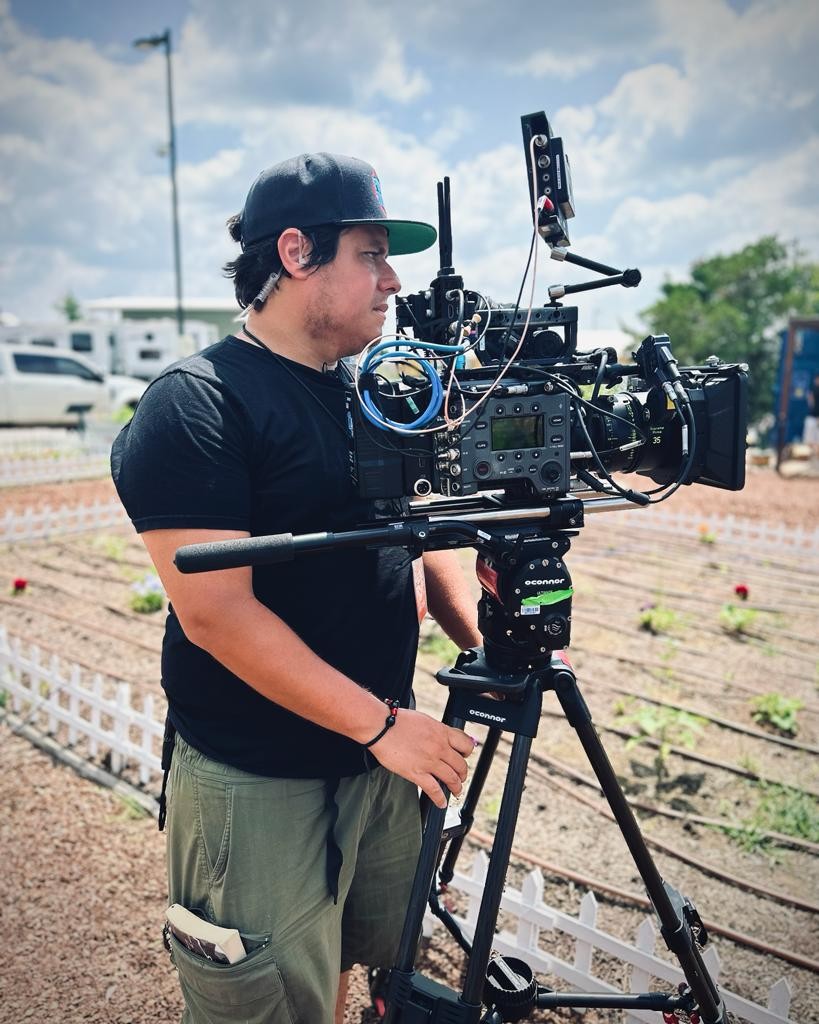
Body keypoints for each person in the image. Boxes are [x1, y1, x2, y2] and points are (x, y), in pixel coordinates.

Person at [110, 152, 481, 1024]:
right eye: (370, 255)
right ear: (295, 252)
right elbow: (217, 615)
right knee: (270, 995)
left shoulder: (369, 394)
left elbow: (419, 535)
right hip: (260, 773)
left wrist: (482, 634)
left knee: (344, 957)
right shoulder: (197, 404)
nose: (393, 280)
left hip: (375, 756)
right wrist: (383, 727)